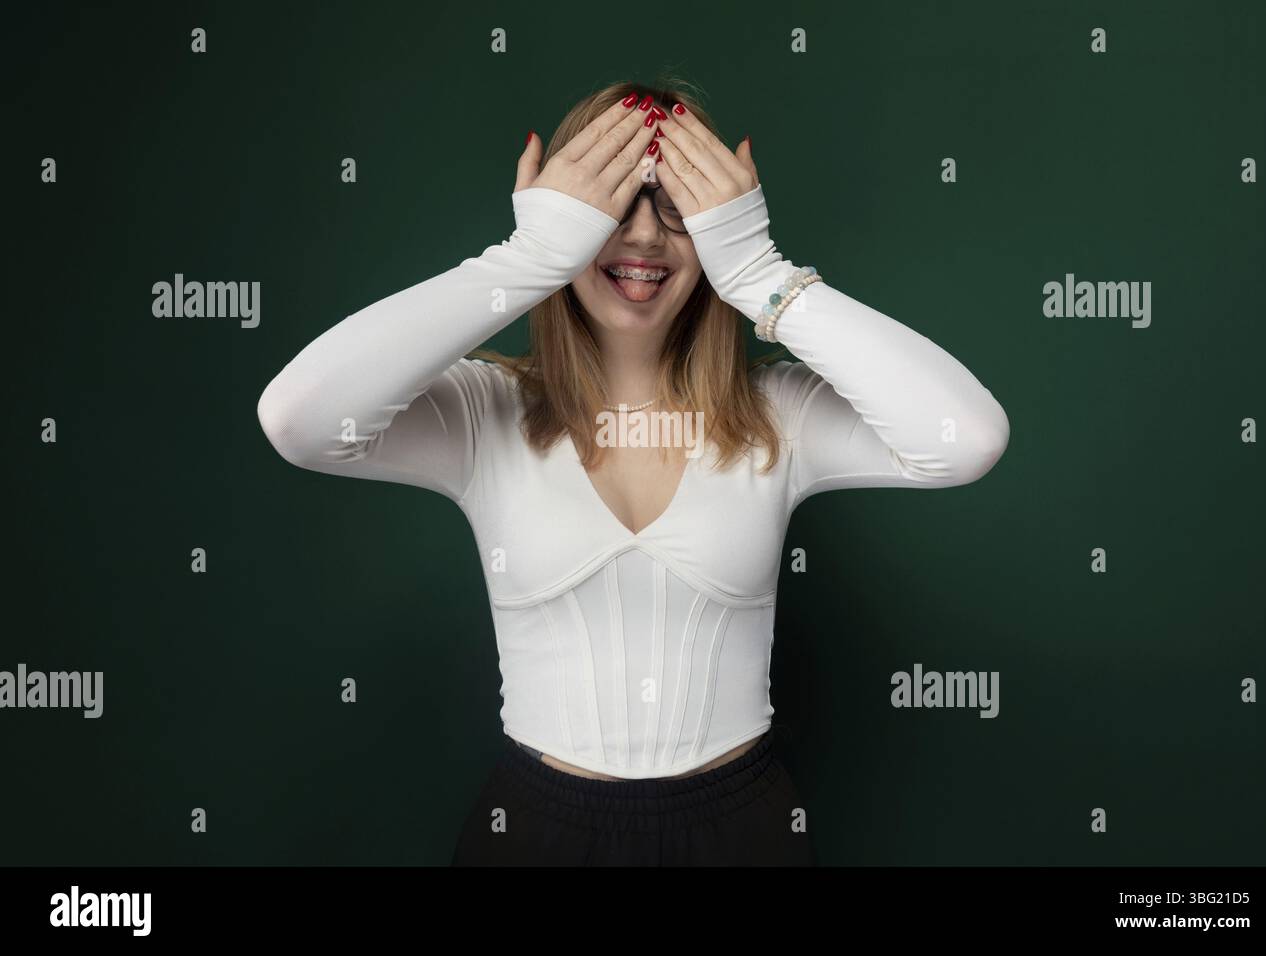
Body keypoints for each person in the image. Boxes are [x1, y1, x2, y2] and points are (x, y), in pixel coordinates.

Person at [256, 80, 1011, 866]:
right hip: (535, 834)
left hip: (742, 835)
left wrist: (759, 273)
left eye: (676, 205)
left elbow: (968, 439)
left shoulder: (777, 413)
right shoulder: (484, 412)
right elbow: (298, 420)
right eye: (613, 203)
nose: (645, 237)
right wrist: (529, 259)